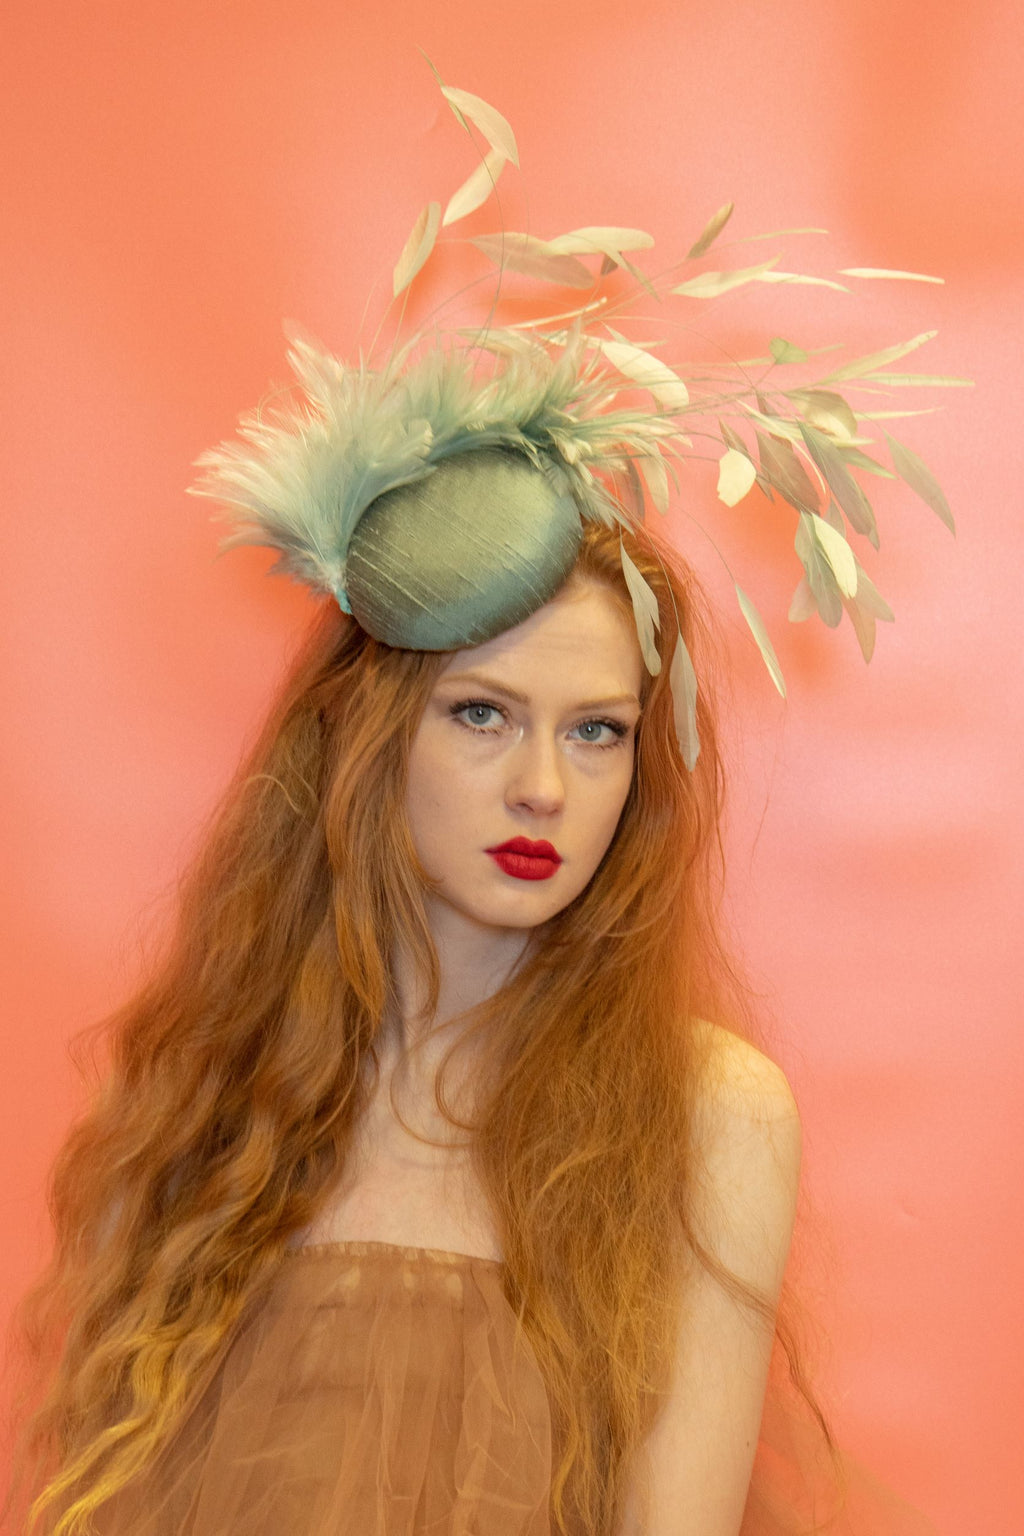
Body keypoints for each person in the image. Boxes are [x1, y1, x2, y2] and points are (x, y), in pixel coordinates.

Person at [9, 79, 954, 1536]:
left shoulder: (707, 1120)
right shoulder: (214, 1096)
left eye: (597, 732)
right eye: (482, 715)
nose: (542, 787)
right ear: (369, 739)